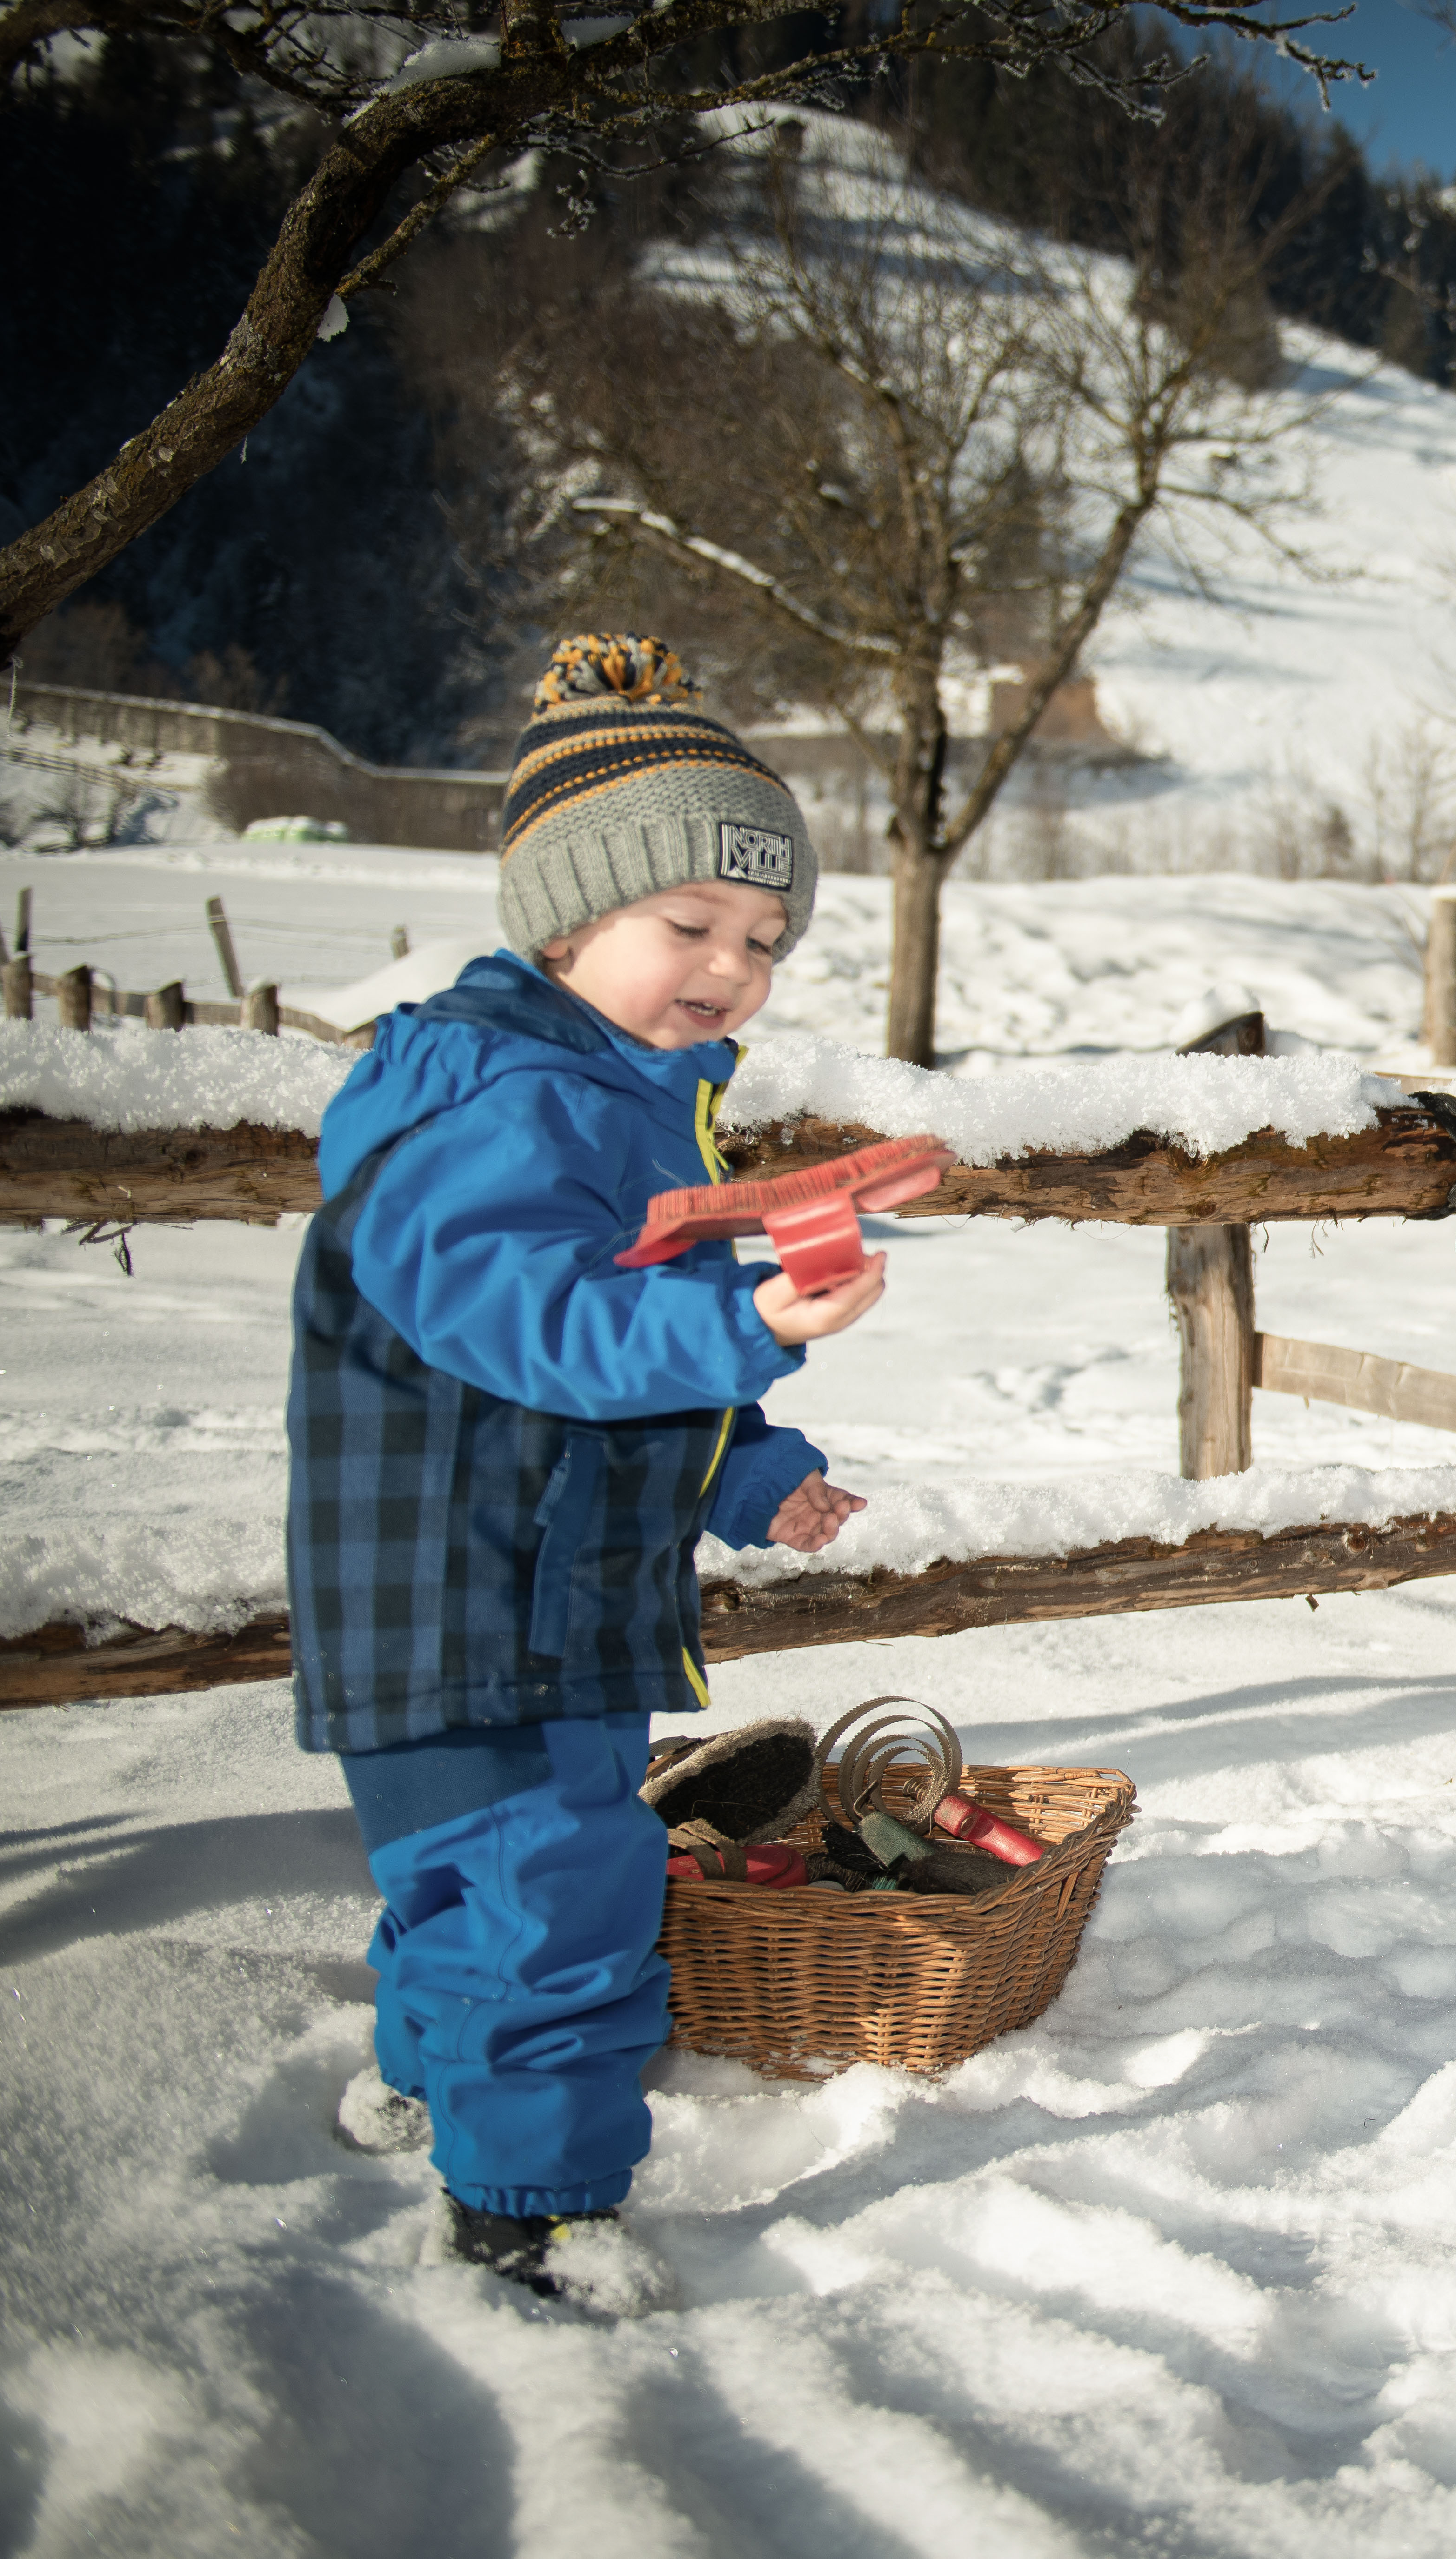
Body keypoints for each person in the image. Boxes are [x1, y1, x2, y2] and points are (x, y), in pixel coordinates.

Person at [290, 634, 882, 2306]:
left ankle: (425, 2085)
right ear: (564, 918)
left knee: (477, 1873)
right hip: (475, 1586)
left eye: (762, 937)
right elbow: (537, 1330)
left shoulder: (614, 1106)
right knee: (556, 1892)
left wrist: (754, 1472)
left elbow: (627, 1357)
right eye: (686, 923)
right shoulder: (496, 1101)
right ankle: (528, 2211)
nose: (733, 966)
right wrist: (758, 1320)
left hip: (538, 1577)